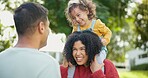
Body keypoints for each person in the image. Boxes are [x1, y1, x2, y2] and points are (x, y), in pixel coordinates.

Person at [0, 2, 61, 78]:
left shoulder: (1, 59)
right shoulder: (48, 64)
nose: (49, 31)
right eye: (48, 26)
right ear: (41, 27)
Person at [65, 0, 112, 68]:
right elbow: (72, 40)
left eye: (78, 15)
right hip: (84, 52)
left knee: (98, 62)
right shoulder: (76, 28)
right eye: (74, 18)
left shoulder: (96, 23)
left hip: (98, 51)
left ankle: (99, 72)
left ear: (87, 11)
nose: (77, 19)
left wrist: (105, 40)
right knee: (72, 63)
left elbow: (108, 32)